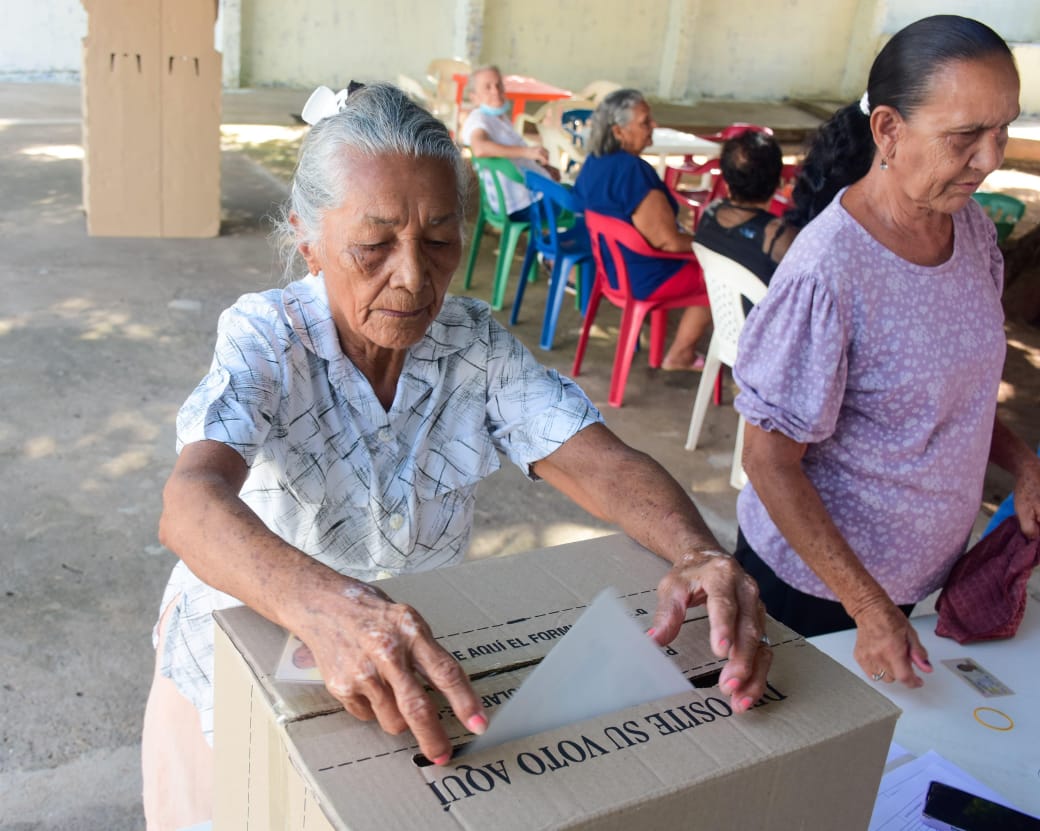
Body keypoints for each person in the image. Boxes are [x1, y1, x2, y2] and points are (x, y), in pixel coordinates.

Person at [141, 82, 771, 831]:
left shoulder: (469, 342)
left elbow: (597, 461)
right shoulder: (268, 338)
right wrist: (324, 607)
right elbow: (190, 503)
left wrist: (697, 549)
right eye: (373, 245)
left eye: (440, 240)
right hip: (238, 665)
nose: (412, 277)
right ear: (306, 238)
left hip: (392, 666)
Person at [731, 15, 1040, 691]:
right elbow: (768, 459)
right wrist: (866, 605)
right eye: (965, 137)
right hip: (817, 593)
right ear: (890, 131)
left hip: (917, 583)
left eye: (1002, 129)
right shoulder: (830, 271)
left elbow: (958, 395)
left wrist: (1022, 465)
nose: (990, 159)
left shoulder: (972, 228)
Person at [573, 88, 711, 372]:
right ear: (619, 131)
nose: (654, 126)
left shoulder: (593, 163)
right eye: (645, 122)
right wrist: (710, 246)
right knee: (719, 275)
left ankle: (665, 333)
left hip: (610, 269)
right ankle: (681, 354)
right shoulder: (633, 172)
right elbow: (668, 242)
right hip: (641, 277)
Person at [694, 129, 798, 312]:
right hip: (765, 331)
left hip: (727, 324)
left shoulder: (709, 215)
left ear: (725, 180)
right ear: (778, 182)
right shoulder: (777, 236)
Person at [459, 65, 557, 218]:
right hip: (521, 205)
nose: (496, 91)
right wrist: (528, 152)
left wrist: (541, 167)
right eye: (487, 87)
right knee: (581, 206)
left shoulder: (498, 118)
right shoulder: (478, 118)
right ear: (474, 97)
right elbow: (480, 148)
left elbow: (515, 158)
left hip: (526, 198)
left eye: (499, 85)